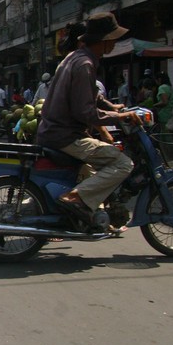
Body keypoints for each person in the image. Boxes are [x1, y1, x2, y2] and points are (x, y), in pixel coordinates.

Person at [37, 12, 142, 222]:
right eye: (112, 39)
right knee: (123, 164)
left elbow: (91, 95)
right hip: (66, 136)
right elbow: (85, 112)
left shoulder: (75, 58)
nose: (114, 43)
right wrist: (121, 117)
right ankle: (76, 198)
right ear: (104, 41)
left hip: (53, 132)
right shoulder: (85, 64)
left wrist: (113, 107)